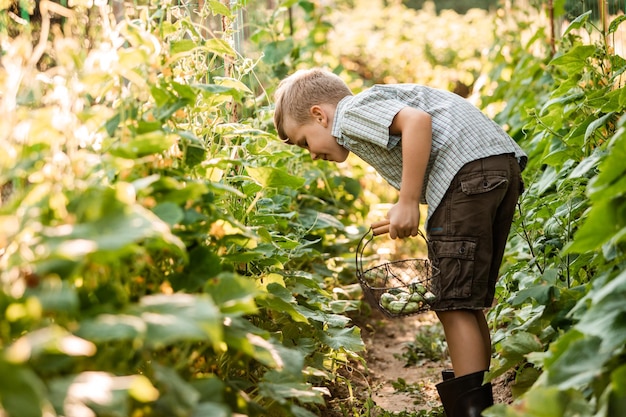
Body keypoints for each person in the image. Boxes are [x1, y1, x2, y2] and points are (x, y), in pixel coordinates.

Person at [273, 68, 526, 417]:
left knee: (451, 303)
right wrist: (403, 206)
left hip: (466, 175)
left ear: (319, 115)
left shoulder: (348, 115)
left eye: (304, 142)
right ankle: (480, 407)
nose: (312, 154)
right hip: (496, 167)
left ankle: (471, 412)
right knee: (466, 301)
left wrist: (407, 201)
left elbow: (417, 122)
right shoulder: (366, 107)